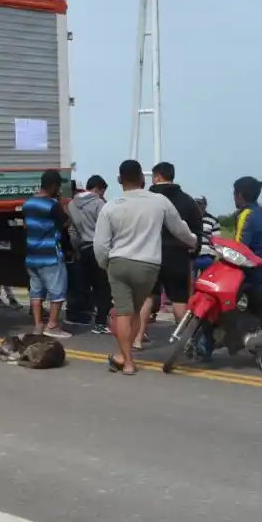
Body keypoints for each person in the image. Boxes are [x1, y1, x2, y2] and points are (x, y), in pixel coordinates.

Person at [93, 160, 197, 375]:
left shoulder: (111, 206)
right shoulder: (159, 202)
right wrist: (194, 242)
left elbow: (100, 244)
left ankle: (127, 361)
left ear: (120, 180)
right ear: (142, 178)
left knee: (123, 312)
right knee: (133, 312)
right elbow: (180, 230)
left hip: (119, 262)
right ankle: (124, 356)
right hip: (148, 265)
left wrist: (105, 264)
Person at [135, 162, 202, 350]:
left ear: (157, 177)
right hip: (177, 255)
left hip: (149, 254)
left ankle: (138, 338)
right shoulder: (187, 201)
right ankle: (186, 341)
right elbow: (197, 229)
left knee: (147, 297)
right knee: (179, 300)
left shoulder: (145, 199)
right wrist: (193, 252)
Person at [23, 170, 72, 339]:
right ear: (53, 186)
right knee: (57, 292)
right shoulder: (52, 205)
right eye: (58, 186)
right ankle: (52, 325)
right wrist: (62, 206)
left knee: (36, 292)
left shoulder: (28, 203)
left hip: (31, 256)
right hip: (50, 255)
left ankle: (38, 326)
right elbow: (66, 222)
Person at [67, 174, 113, 334]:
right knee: (103, 287)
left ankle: (76, 315)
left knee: (82, 284)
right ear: (97, 188)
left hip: (82, 249)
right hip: (98, 248)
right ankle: (100, 323)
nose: (103, 195)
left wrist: (76, 248)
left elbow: (72, 230)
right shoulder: (99, 203)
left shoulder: (71, 204)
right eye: (103, 191)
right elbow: (106, 227)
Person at [194, 196, 221, 277]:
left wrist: (216, 255)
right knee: (191, 283)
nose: (197, 206)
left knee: (206, 281)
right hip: (193, 256)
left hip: (207, 256)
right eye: (196, 204)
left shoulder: (213, 220)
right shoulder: (190, 218)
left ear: (205, 206)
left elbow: (217, 239)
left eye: (200, 204)